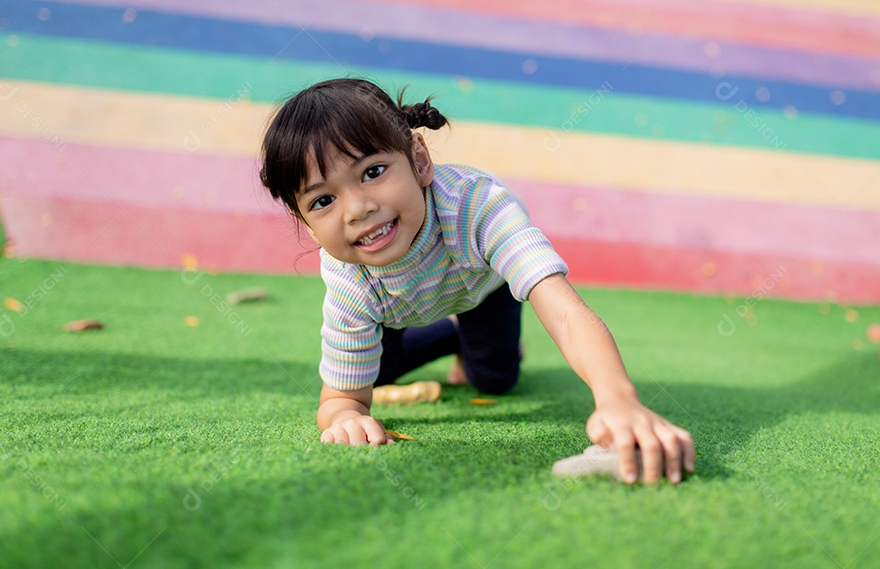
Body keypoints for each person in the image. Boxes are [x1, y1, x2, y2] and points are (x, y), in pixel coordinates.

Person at [260, 78, 695, 485]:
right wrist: (345, 418)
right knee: (378, 374)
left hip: (482, 291)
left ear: (419, 159)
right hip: (393, 312)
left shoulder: (479, 206)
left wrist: (617, 398)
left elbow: (565, 312)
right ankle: (450, 335)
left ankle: (466, 337)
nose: (356, 209)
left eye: (372, 172)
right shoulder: (347, 273)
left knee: (495, 379)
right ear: (307, 226)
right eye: (323, 200)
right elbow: (340, 399)